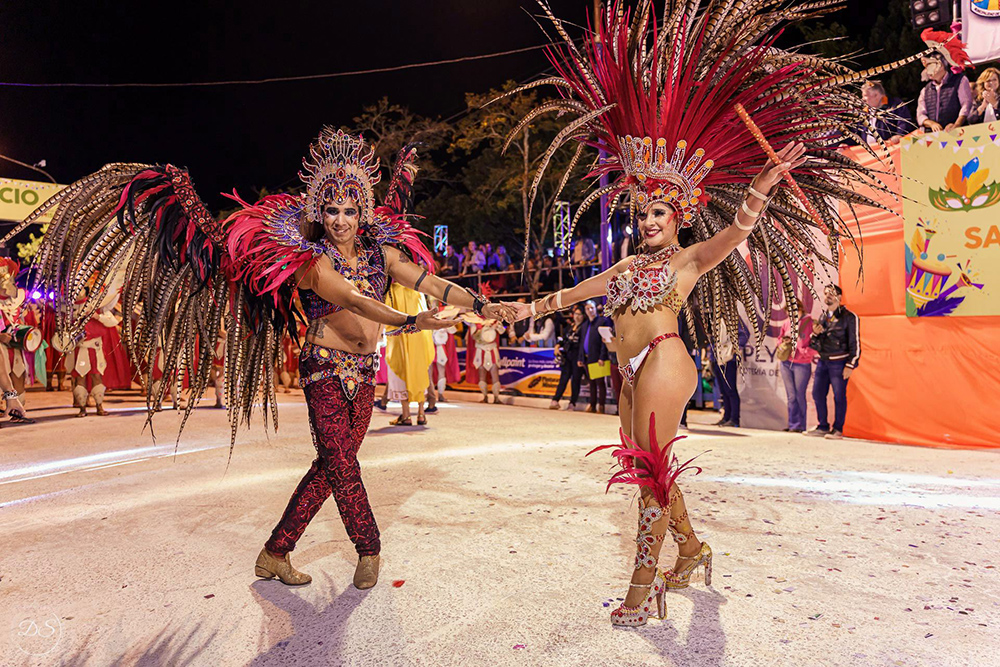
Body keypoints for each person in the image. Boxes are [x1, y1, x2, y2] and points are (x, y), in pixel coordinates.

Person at [502, 0, 902, 626]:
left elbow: (738, 232)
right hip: (629, 367)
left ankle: (645, 582)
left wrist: (762, 189)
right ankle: (691, 548)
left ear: (680, 214)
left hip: (665, 361)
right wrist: (515, 307)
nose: (649, 219)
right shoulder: (628, 267)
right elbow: (567, 297)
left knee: (651, 470)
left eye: (661, 212)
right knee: (645, 473)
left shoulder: (689, 259)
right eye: (643, 212)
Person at [11, 128, 513, 593]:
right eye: (332, 209)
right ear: (321, 211)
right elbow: (356, 303)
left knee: (330, 466)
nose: (340, 219)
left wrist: (481, 304)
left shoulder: (382, 255)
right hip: (323, 371)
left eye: (350, 210)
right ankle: (369, 548)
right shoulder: (311, 261)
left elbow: (426, 281)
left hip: (365, 373)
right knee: (342, 462)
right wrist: (412, 324)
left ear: (362, 213)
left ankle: (275, 552)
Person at [806, 284, 860, 440]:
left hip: (839, 362)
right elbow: (815, 342)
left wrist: (851, 364)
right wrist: (814, 335)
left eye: (832, 293)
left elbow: (855, 343)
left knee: (839, 396)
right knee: (817, 393)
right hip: (823, 361)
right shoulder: (824, 316)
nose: (828, 296)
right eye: (826, 293)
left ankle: (838, 429)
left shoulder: (849, 317)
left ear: (839, 297)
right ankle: (822, 426)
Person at [384, 283, 435, 426]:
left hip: (400, 335)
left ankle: (406, 415)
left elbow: (386, 315)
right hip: (419, 337)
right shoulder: (417, 290)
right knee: (419, 372)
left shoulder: (392, 290)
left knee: (401, 370)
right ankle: (421, 414)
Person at [778, 299, 816, 433]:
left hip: (801, 363)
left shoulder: (809, 322)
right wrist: (783, 345)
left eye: (794, 311)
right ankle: (793, 424)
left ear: (800, 309)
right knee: (791, 396)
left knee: (800, 395)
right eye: (788, 312)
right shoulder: (786, 324)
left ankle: (801, 425)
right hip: (786, 362)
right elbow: (779, 339)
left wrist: (804, 352)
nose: (791, 314)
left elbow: (816, 342)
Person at [916, 51, 973, 132]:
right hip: (934, 137)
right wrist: (931, 124)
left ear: (942, 65)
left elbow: (966, 105)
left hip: (958, 134)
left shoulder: (960, 80)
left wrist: (956, 125)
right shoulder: (925, 90)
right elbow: (920, 114)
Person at [710, 320, 745, 428]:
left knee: (730, 389)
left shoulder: (732, 317)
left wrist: (736, 348)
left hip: (728, 358)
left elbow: (744, 334)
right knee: (723, 391)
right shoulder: (715, 319)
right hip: (717, 357)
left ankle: (734, 419)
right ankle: (726, 417)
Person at [578, 300, 611, 414]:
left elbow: (604, 342)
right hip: (588, 358)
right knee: (591, 383)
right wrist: (581, 358)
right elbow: (582, 342)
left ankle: (601, 406)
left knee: (600, 383)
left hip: (598, 358)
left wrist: (602, 357)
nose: (590, 310)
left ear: (596, 308)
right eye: (587, 309)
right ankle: (592, 405)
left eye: (592, 308)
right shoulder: (585, 325)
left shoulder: (602, 321)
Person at [550, 305, 584, 410]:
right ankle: (555, 400)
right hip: (567, 355)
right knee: (563, 379)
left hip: (577, 356)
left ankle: (572, 403)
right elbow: (563, 339)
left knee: (575, 380)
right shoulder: (570, 327)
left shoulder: (584, 328)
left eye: (580, 314)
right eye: (576, 314)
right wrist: (557, 346)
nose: (577, 316)